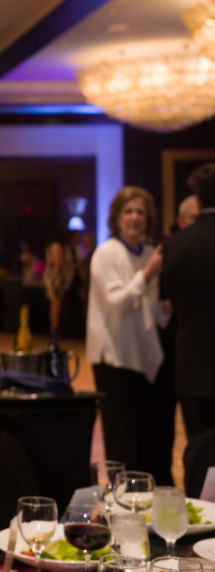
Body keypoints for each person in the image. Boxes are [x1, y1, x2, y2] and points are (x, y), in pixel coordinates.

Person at [86, 186, 170, 473]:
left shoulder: (149, 252)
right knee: (122, 440)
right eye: (129, 211)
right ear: (117, 218)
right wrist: (147, 274)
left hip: (145, 357)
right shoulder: (106, 253)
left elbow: (152, 308)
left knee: (149, 439)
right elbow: (117, 304)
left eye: (141, 212)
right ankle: (121, 501)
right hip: (114, 358)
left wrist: (167, 311)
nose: (135, 217)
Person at [162, 164, 215, 438]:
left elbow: (171, 300)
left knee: (200, 448)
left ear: (198, 198)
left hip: (192, 362)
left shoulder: (175, 246)